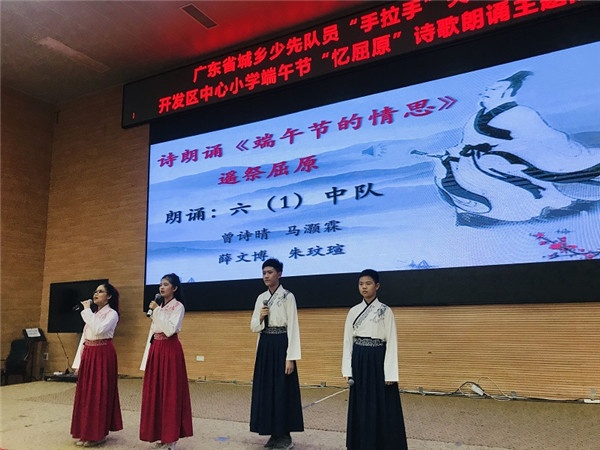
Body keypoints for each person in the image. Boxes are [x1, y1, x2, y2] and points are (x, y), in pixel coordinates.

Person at [427, 70, 600, 225]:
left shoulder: (521, 114)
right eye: (487, 89)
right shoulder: (475, 118)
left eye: (494, 89)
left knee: (501, 167)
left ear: (508, 92)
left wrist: (501, 148)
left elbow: (545, 141)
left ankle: (549, 205)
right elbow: (466, 144)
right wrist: (451, 153)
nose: (486, 92)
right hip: (475, 165)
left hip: (508, 163)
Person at [342, 269, 408, 450]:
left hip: (378, 358)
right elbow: (347, 341)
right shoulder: (353, 311)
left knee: (381, 404)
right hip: (359, 359)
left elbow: (392, 341)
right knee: (360, 403)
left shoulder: (385, 311)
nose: (364, 287)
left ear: (377, 286)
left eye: (368, 283)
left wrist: (390, 373)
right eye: (361, 284)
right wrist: (347, 369)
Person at [250, 258, 304, 450]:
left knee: (282, 390)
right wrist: (261, 317)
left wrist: (290, 358)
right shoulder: (261, 298)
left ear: (279, 274)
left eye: (270, 272)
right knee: (267, 390)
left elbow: (293, 328)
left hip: (282, 344)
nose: (266, 276)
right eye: (264, 273)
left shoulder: (288, 296)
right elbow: (253, 327)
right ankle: (273, 433)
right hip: (266, 345)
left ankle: (285, 435)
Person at [139, 273, 193, 450]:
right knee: (157, 392)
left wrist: (156, 311)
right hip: (156, 349)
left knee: (170, 392)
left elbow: (170, 330)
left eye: (166, 284)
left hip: (170, 349)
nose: (162, 287)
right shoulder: (159, 306)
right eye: (161, 284)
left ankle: (171, 439)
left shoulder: (178, 306)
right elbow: (154, 331)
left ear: (174, 288)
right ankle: (160, 435)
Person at [71, 282, 123, 447]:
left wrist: (86, 311)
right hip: (89, 353)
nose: (96, 294)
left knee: (99, 392)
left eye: (100, 291)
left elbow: (99, 330)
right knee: (86, 393)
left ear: (109, 296)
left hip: (102, 354)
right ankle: (85, 431)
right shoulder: (93, 314)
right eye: (95, 291)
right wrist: (78, 362)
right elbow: (85, 338)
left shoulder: (112, 314)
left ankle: (98, 434)